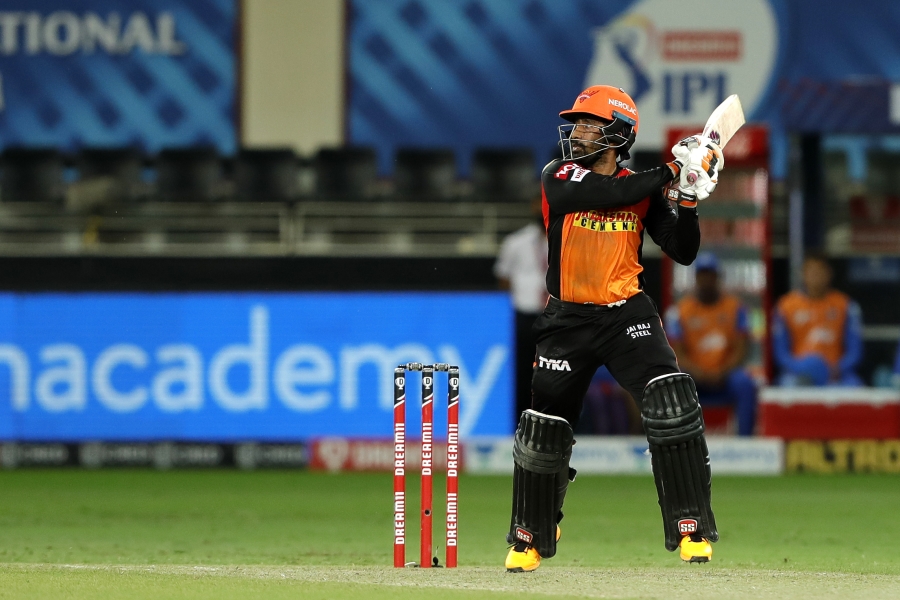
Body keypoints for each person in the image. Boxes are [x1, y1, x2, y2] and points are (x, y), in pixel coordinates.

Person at [505, 84, 723, 572]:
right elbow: (609, 194)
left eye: (589, 124)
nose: (578, 132)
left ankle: (690, 527)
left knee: (670, 401)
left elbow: (683, 250)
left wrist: (688, 197)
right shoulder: (559, 174)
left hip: (626, 314)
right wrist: (673, 170)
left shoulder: (641, 190)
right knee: (545, 425)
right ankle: (531, 534)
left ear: (619, 134)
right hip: (568, 317)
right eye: (578, 124)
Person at [665, 253, 757, 435]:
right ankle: (677, 440)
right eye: (702, 275)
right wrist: (699, 373)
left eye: (710, 275)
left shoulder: (736, 308)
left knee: (745, 383)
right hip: (694, 376)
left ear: (717, 277)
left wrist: (722, 372)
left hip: (726, 376)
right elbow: (677, 353)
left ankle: (746, 440)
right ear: (696, 278)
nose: (706, 280)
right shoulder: (679, 311)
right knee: (672, 383)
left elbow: (742, 349)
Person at [494, 198, 549, 424]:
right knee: (523, 372)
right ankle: (522, 423)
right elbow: (503, 278)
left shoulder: (568, 240)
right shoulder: (516, 242)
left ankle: (554, 421)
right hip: (525, 316)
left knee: (556, 372)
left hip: (555, 315)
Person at [773, 253, 863, 386]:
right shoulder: (786, 306)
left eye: (820, 271)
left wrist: (836, 369)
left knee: (854, 387)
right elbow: (780, 353)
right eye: (811, 271)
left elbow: (855, 351)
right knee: (788, 385)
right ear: (803, 274)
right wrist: (801, 368)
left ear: (829, 274)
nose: (816, 276)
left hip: (836, 374)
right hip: (798, 373)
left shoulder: (846, 305)